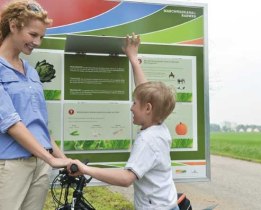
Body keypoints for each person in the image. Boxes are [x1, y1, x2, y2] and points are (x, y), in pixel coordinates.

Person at [68, 33, 179, 210]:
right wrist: (133, 58)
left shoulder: (148, 140)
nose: (131, 108)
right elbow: (145, 93)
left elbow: (126, 178)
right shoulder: (158, 127)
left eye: (134, 103)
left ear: (148, 109)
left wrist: (85, 169)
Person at [0, 1, 71, 209]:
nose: (38, 42)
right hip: (12, 165)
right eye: (33, 35)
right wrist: (50, 159)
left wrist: (63, 160)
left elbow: (39, 125)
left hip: (40, 164)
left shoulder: (31, 71)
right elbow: (11, 123)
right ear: (13, 26)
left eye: (41, 37)